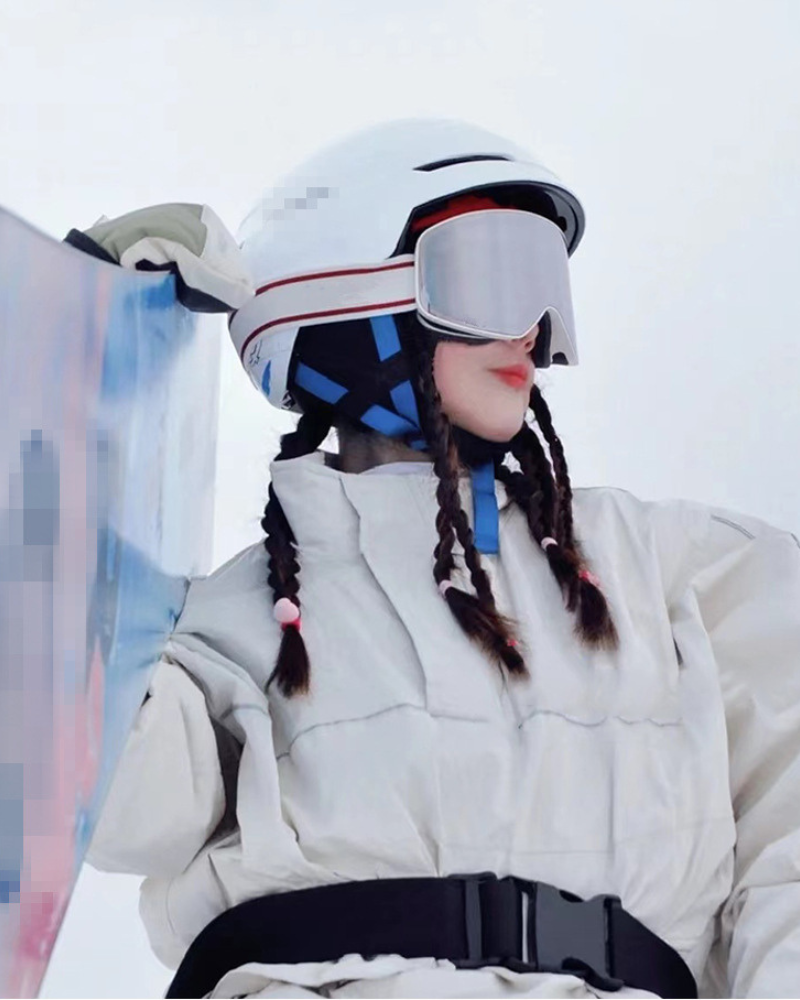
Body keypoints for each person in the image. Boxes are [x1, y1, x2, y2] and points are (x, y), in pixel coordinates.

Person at [72, 120, 800, 999]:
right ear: (346, 301)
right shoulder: (229, 623)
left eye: (543, 288)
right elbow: (108, 804)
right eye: (492, 278)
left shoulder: (672, 569)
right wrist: (71, 366)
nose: (530, 329)